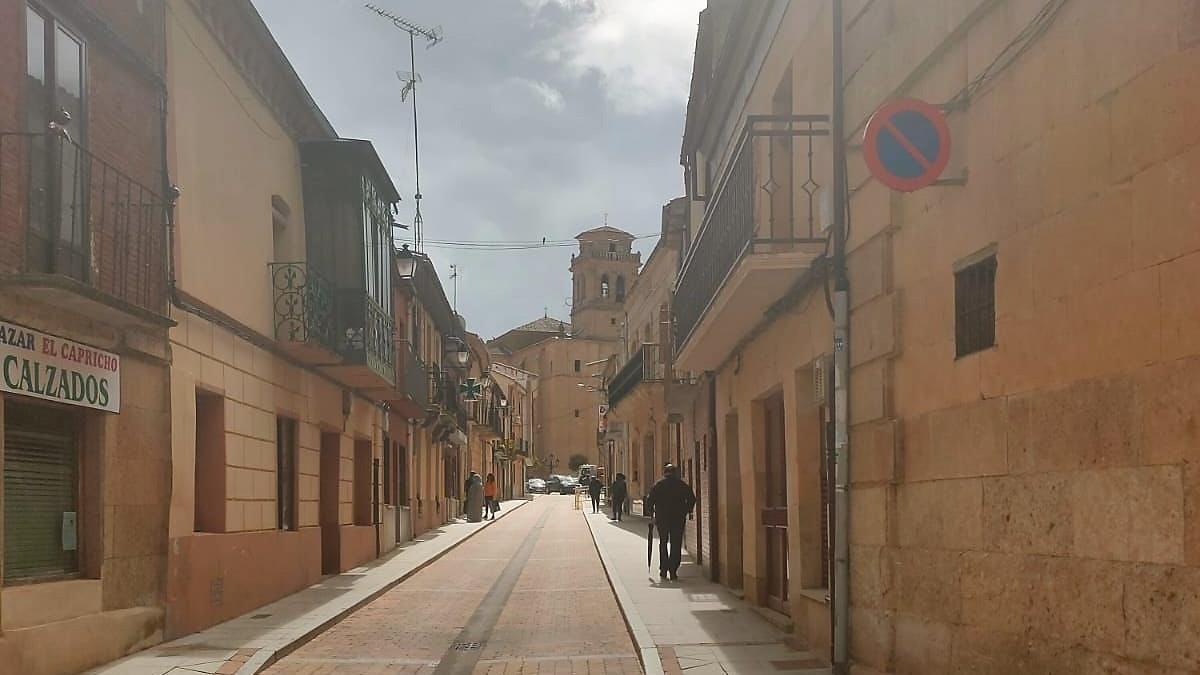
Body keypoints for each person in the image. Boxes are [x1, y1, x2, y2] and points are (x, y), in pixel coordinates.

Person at [644, 463, 696, 581]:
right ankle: (673, 570)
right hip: (678, 518)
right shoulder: (681, 485)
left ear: (665, 472)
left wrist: (652, 514)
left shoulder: (658, 485)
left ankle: (663, 569)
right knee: (676, 544)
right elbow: (692, 499)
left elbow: (649, 501)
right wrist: (686, 510)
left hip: (662, 518)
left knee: (663, 542)